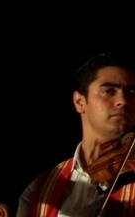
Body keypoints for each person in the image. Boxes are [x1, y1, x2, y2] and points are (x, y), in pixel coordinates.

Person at [16, 52, 135, 217]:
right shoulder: (39, 189)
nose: (123, 101)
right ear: (80, 102)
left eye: (131, 93)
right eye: (109, 91)